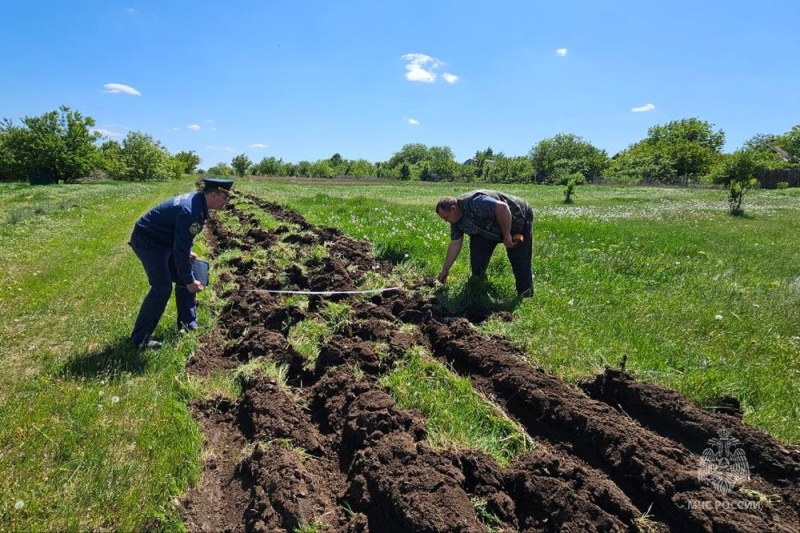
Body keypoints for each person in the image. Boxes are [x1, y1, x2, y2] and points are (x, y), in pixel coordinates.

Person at [129, 178, 234, 349]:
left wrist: (187, 255)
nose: (226, 201)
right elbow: (180, 254)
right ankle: (139, 340)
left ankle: (188, 325)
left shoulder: (198, 203)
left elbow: (183, 239)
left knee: (183, 276)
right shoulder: (190, 211)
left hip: (163, 240)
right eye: (225, 197)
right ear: (214, 195)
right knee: (162, 288)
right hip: (149, 242)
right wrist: (190, 282)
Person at [436, 189, 533, 298]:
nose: (446, 221)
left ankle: (525, 295)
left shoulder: (474, 202)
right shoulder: (456, 222)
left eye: (446, 217)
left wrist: (507, 235)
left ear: (453, 209)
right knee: (478, 254)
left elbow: (502, 207)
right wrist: (445, 270)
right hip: (487, 229)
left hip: (517, 217)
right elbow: (455, 244)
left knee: (519, 258)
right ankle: (478, 288)